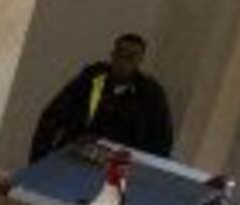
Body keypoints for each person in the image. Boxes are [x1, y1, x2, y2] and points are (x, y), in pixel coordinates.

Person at [32, 31, 177, 161]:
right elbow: (52, 117)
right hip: (77, 156)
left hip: (120, 166)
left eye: (130, 57)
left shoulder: (151, 94)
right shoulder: (91, 79)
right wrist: (39, 159)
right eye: (119, 54)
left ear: (139, 61)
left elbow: (162, 143)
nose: (123, 61)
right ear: (112, 55)